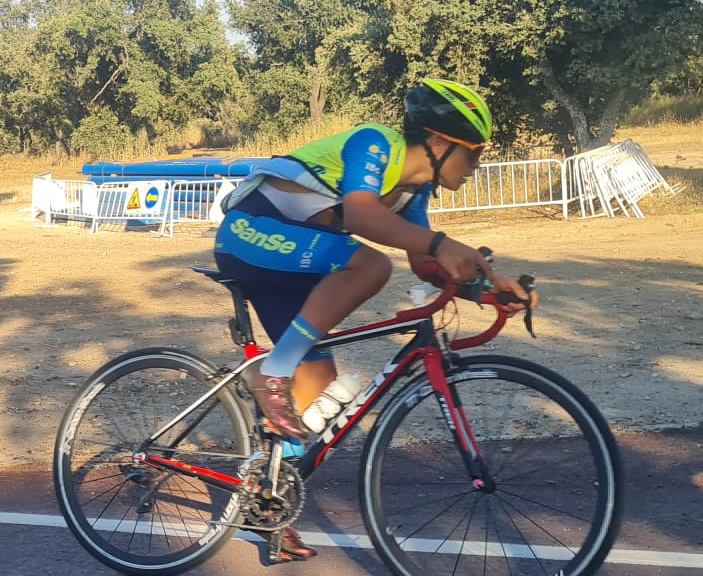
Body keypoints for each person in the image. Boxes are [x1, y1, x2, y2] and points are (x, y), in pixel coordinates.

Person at [213, 79, 534, 445]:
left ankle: (265, 484)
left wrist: (493, 288)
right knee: (373, 266)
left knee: (313, 414)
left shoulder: (413, 193)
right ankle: (271, 372)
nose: (477, 164)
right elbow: (361, 216)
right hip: (248, 235)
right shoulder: (374, 143)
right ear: (440, 143)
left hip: (294, 267)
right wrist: (442, 243)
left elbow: (426, 265)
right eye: (474, 152)